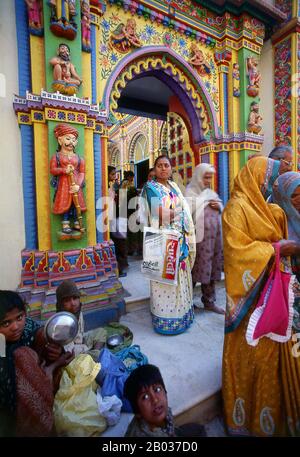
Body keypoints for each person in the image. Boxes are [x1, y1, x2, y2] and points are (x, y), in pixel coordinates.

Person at [222, 156, 300, 436]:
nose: (268, 183)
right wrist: (278, 250)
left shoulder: (271, 211)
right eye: (266, 177)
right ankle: (245, 421)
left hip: (276, 294)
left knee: (271, 360)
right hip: (249, 300)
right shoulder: (235, 209)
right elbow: (235, 253)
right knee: (248, 358)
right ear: (253, 177)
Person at [0, 290, 73, 437]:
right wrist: (51, 368)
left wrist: (55, 352)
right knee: (23, 356)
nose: (15, 327)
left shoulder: (28, 327)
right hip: (9, 415)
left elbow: (42, 334)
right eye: (6, 323)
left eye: (19, 317)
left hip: (41, 382)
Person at [140, 155, 195, 335]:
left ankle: (183, 316)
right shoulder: (151, 188)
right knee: (165, 280)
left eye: (166, 165)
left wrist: (176, 213)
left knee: (181, 278)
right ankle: (165, 320)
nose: (163, 168)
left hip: (180, 240)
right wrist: (178, 212)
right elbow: (160, 214)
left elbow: (176, 212)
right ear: (154, 169)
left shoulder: (174, 187)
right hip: (163, 243)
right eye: (159, 166)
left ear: (171, 168)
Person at [124, 364, 206, 437]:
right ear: (138, 413)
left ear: (165, 392)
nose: (155, 400)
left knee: (199, 429)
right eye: (145, 397)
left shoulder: (162, 411)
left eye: (157, 389)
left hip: (169, 432)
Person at [185, 164, 224, 314]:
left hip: (213, 241)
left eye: (210, 177)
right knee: (194, 271)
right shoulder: (190, 192)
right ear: (198, 176)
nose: (208, 180)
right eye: (206, 177)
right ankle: (187, 302)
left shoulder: (210, 192)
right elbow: (187, 211)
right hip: (198, 241)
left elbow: (221, 207)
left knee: (212, 270)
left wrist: (217, 206)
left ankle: (209, 301)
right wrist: (205, 203)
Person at [272, 172, 300, 332]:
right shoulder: (273, 218)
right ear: (282, 196)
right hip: (286, 287)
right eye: (294, 195)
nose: (299, 200)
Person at [55, 280, 107, 361]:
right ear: (61, 304)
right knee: (96, 355)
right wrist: (86, 350)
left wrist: (86, 346)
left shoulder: (78, 312)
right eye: (67, 300)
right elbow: (69, 353)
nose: (73, 303)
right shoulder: (61, 324)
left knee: (101, 331)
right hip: (73, 354)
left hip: (82, 343)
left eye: (75, 298)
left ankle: (95, 354)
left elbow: (80, 336)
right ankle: (95, 356)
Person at [50, 123, 86, 235]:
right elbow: (53, 170)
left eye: (73, 139)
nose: (71, 142)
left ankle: (76, 222)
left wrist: (78, 185)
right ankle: (65, 223)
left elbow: (82, 172)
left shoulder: (79, 158)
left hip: (75, 185)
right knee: (65, 203)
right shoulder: (57, 156)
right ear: (60, 140)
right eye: (68, 138)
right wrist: (63, 170)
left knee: (76, 204)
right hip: (64, 185)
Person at [108, 166, 128, 277]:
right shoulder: (109, 187)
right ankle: (119, 269)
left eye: (115, 174)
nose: (115, 176)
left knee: (119, 243)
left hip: (115, 218)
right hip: (111, 219)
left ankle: (120, 267)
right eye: (112, 174)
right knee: (117, 244)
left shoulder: (113, 186)